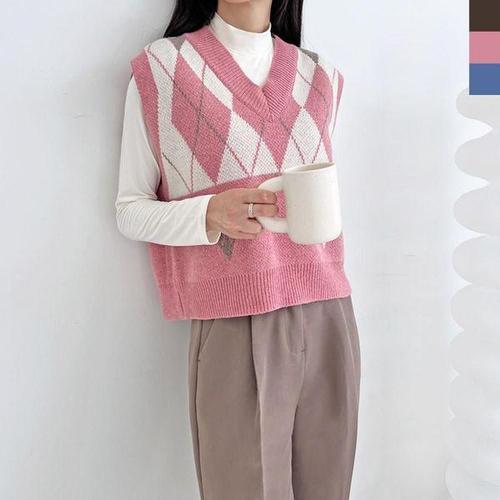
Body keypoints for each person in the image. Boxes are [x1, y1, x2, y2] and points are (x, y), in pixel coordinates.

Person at [115, 1, 361, 499]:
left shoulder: (322, 78)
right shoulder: (163, 70)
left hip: (330, 315)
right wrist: (210, 214)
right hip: (232, 325)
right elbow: (130, 209)